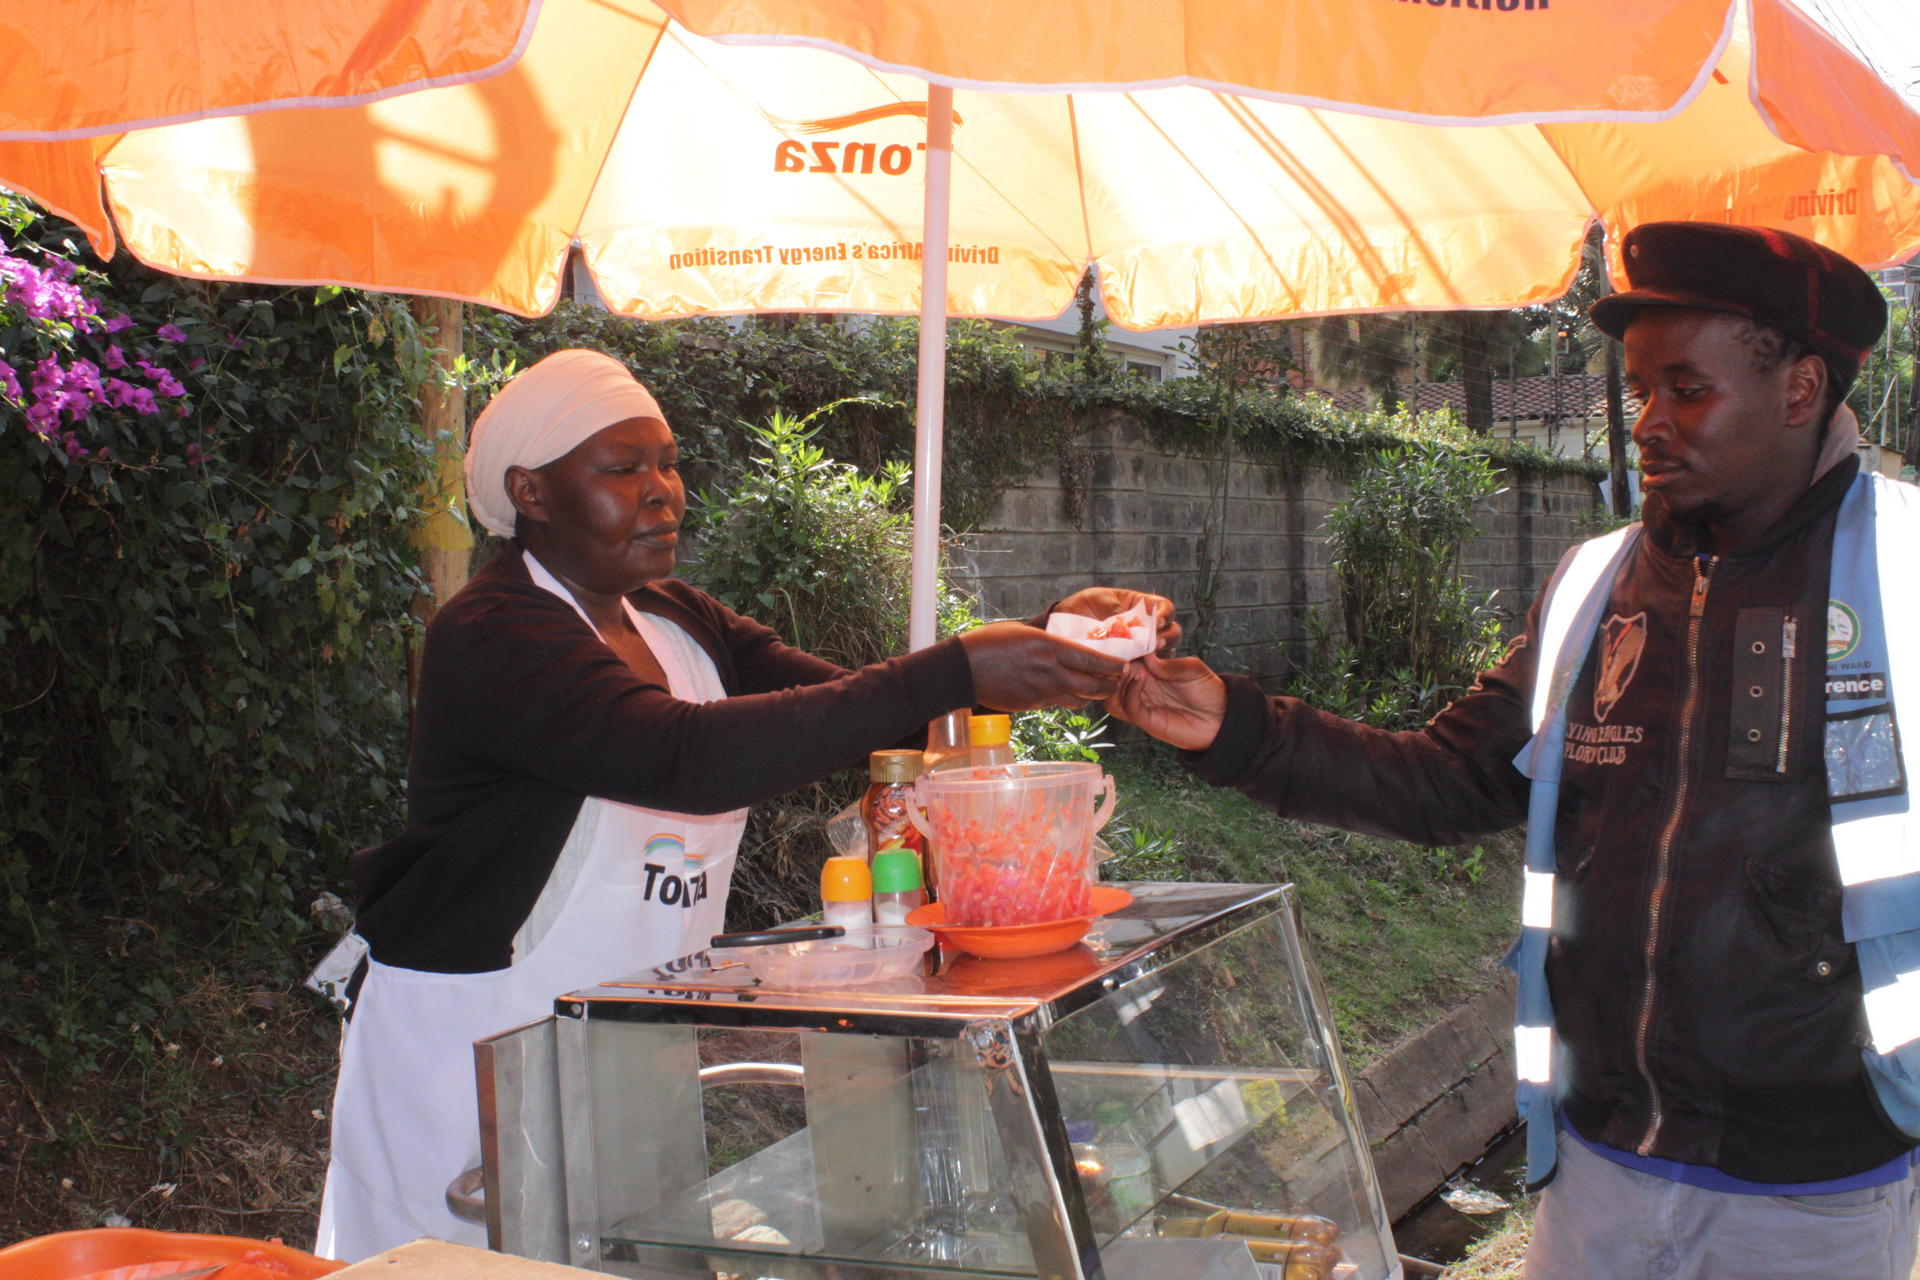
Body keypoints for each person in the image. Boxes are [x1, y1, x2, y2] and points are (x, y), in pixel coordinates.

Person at [1107, 223, 1920, 1279]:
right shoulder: (1596, 585)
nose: (1649, 425)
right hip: (1598, 1168)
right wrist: (1238, 725)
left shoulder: (1902, 570)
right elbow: (1451, 779)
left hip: (1821, 1193)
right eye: (1639, 391)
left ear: (1801, 387)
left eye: (1687, 389)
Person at [314, 348, 1173, 1261]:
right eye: (621, 469)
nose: (663, 491)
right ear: (530, 491)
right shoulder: (491, 633)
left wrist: (1052, 644)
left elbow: (863, 719)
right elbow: (688, 759)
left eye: (669, 462)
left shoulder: (676, 618)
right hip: (478, 1054)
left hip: (624, 1040)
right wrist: (961, 664)